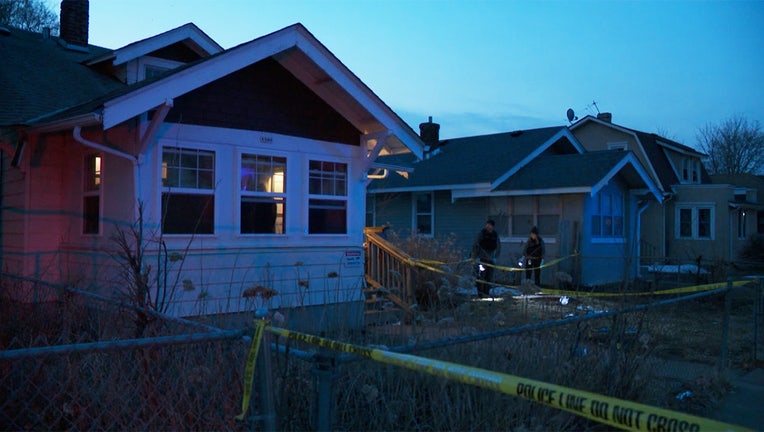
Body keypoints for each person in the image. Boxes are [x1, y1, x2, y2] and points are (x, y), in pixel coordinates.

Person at [471, 219, 501, 297]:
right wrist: (475, 257)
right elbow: (476, 245)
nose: (488, 226)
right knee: (481, 276)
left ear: (492, 226)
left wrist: (495, 257)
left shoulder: (494, 235)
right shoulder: (482, 234)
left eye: (489, 225)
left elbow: (498, 246)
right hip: (482, 259)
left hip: (490, 259)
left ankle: (486, 292)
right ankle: (480, 293)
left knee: (489, 276)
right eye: (487, 224)